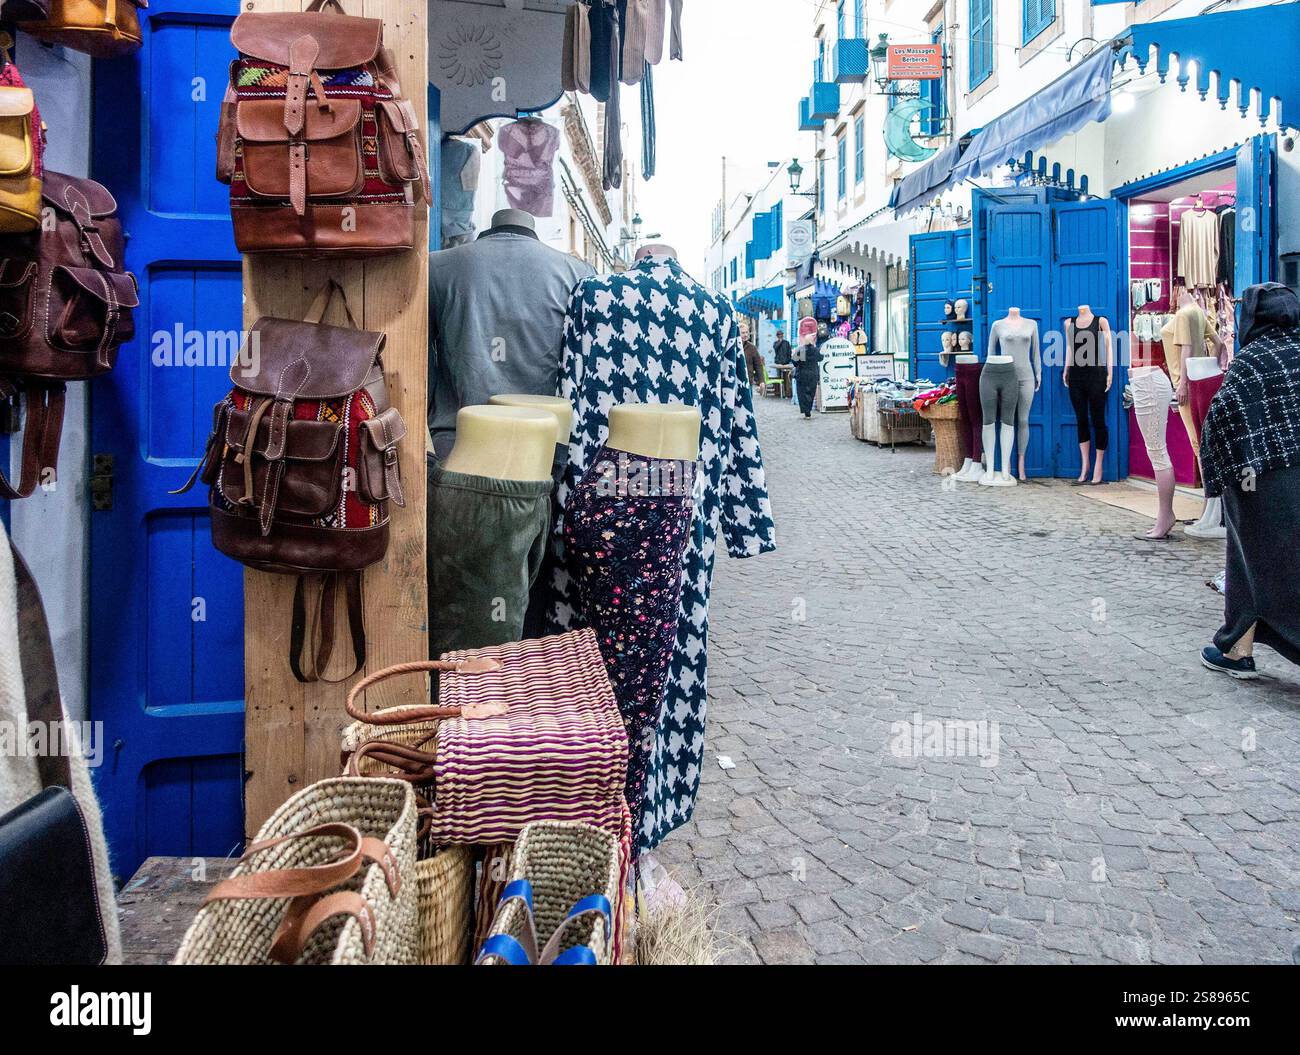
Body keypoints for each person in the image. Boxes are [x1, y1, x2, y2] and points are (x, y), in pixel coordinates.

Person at [1198, 283, 1300, 678]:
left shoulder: (1252, 360)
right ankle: (1236, 645)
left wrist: (1216, 483)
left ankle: (1237, 650)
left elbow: (1221, 420)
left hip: (1262, 479)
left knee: (1249, 559)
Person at [793, 323, 824, 419]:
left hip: (802, 375)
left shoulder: (801, 350)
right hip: (812, 375)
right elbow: (820, 358)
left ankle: (805, 410)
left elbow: (795, 362)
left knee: (802, 393)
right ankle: (808, 411)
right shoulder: (815, 350)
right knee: (811, 392)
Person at [773, 329, 793, 399]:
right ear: (777, 336)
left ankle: (787, 393)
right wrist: (780, 342)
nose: (780, 336)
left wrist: (788, 360)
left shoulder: (787, 343)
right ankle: (779, 393)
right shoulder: (775, 343)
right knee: (779, 377)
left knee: (786, 378)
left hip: (786, 363)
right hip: (778, 363)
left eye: (781, 334)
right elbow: (776, 348)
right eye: (779, 335)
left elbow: (789, 352)